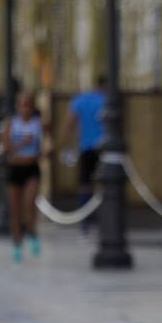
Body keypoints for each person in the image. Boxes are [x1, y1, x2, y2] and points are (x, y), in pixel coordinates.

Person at [2, 91, 46, 261]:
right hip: (15, 169)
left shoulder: (38, 124)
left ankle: (32, 231)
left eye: (28, 104)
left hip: (31, 169)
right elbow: (6, 147)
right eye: (22, 104)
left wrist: (43, 151)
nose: (25, 108)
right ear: (17, 106)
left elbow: (45, 145)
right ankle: (17, 243)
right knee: (15, 209)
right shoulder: (11, 123)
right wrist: (23, 143)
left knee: (30, 203)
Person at [62, 76, 106, 223]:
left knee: (84, 183)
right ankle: (101, 216)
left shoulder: (80, 100)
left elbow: (69, 123)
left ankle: (85, 220)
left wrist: (65, 144)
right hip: (102, 147)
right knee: (103, 182)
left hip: (85, 146)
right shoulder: (106, 100)